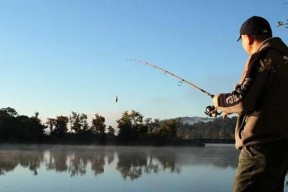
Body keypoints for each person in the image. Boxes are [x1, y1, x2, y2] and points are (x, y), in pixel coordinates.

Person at [212, 16, 288, 192]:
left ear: (248, 38)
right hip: (282, 146)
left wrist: (219, 101)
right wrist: (235, 109)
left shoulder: (262, 56)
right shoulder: (283, 57)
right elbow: (269, 99)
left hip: (261, 146)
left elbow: (242, 98)